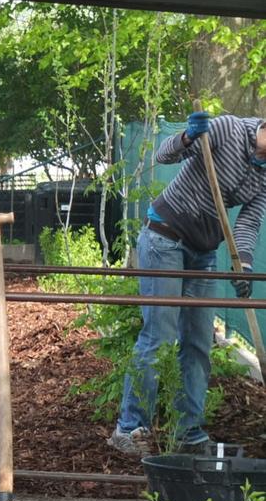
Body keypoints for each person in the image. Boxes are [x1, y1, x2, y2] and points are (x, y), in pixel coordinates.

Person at [109, 110, 266, 455]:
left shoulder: (264, 175)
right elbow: (165, 154)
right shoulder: (227, 129)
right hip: (164, 239)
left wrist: (244, 266)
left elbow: (247, 224)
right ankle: (129, 428)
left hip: (203, 254)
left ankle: (187, 432)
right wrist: (188, 137)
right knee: (159, 337)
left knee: (198, 343)